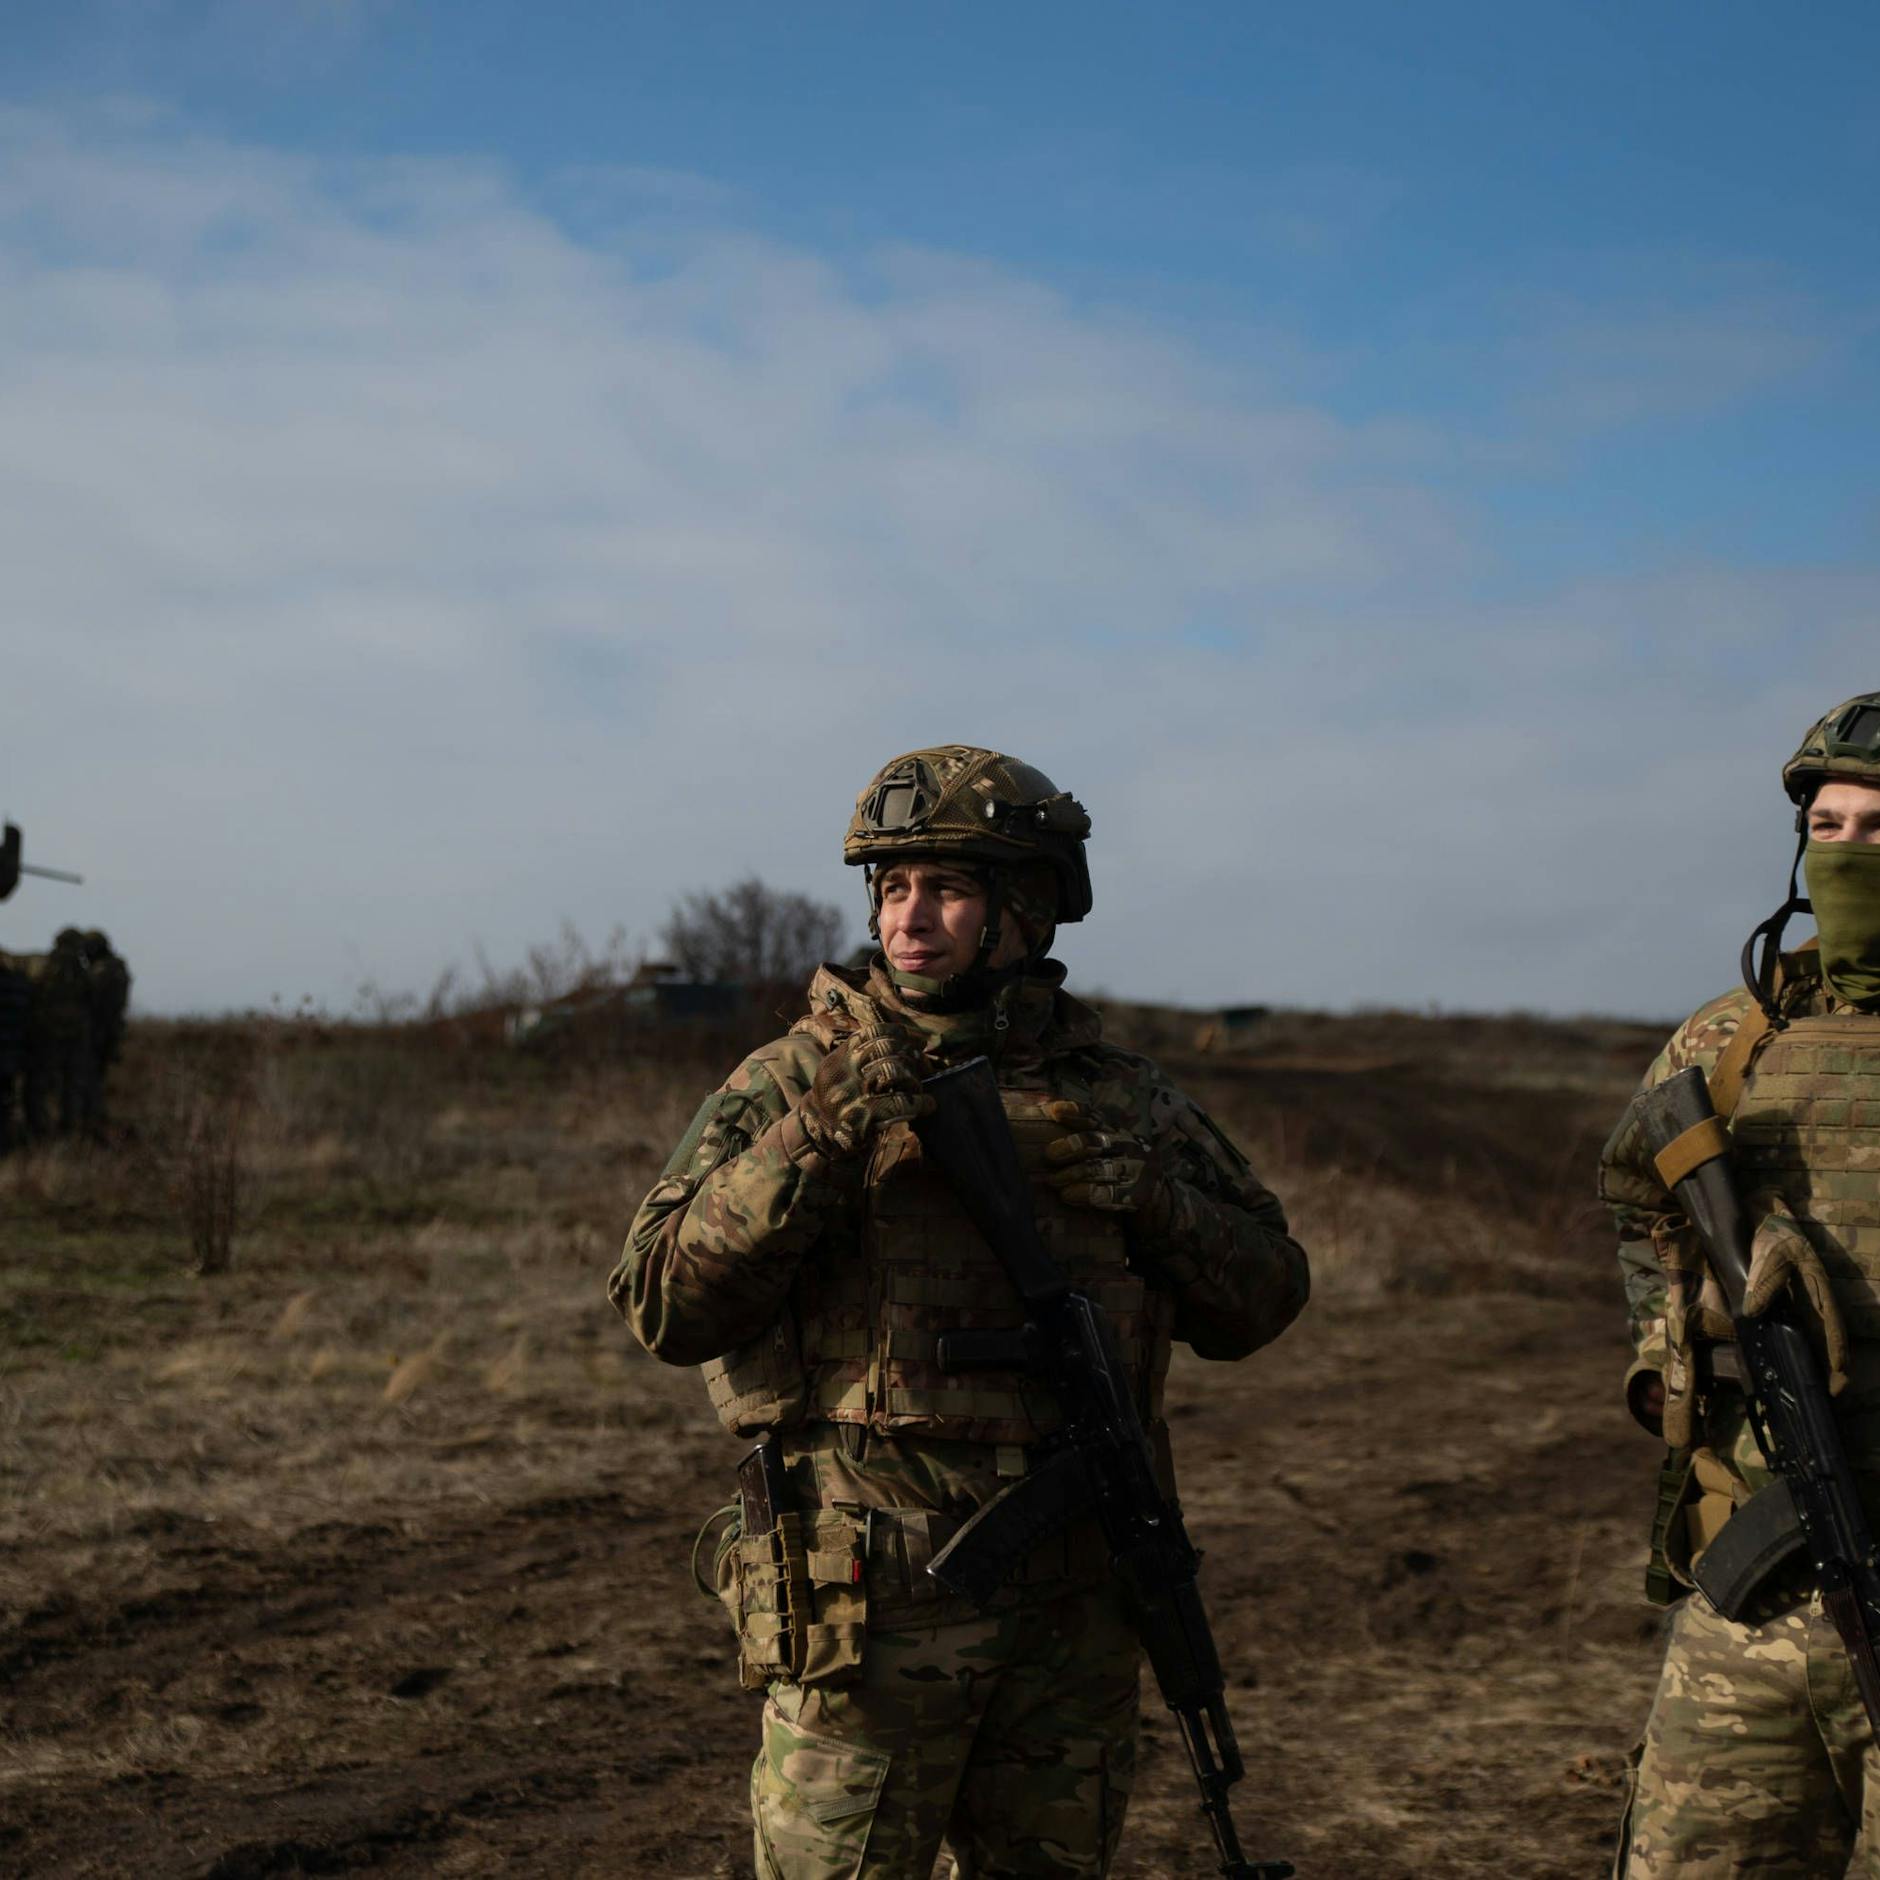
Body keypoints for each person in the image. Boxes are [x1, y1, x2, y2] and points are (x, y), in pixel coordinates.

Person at [611, 745, 1309, 1878]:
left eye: (944, 886)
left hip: (1077, 1603)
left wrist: (1152, 1200)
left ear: (1024, 906)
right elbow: (661, 1302)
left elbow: (1264, 1298)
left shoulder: (1118, 1097)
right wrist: (820, 1141)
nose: (907, 917)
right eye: (890, 888)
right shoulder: (795, 1079)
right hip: (869, 1610)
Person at [1603, 691, 1880, 1876]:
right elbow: (1635, 1193)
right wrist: (1687, 1318)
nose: (1848, 853)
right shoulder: (1728, 1038)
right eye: (1828, 825)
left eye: (1879, 827)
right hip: (1754, 1590)